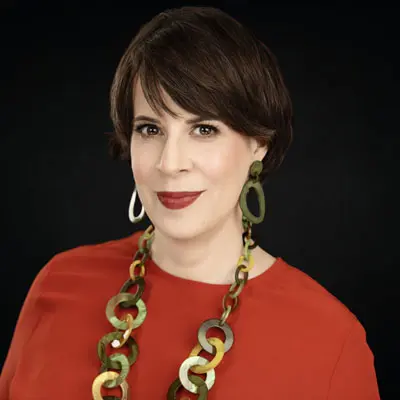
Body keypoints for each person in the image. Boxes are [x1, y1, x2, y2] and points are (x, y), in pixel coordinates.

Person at [0, 6, 380, 400]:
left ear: (259, 144)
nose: (170, 163)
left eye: (203, 129)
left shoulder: (330, 341)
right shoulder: (58, 283)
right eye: (150, 129)